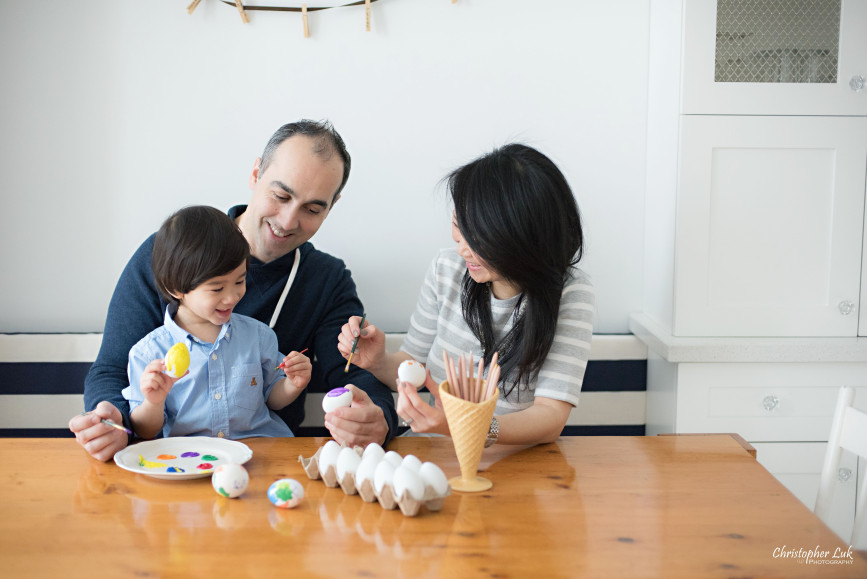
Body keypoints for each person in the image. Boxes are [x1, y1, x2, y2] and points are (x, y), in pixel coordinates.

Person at [70, 120, 397, 461]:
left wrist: (379, 418)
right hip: (173, 463)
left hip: (269, 462)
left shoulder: (326, 279)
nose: (287, 221)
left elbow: (354, 372)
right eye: (280, 195)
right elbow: (111, 368)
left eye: (313, 209)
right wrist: (111, 420)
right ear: (256, 174)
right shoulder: (170, 253)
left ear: (333, 204)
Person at [338, 143, 595, 446]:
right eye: (459, 226)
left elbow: (550, 416)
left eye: (478, 237)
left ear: (523, 238)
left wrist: (468, 426)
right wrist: (377, 360)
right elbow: (413, 367)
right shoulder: (446, 270)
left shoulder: (570, 292)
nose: (461, 248)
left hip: (517, 464)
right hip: (438, 453)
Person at [123, 205, 312, 439]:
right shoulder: (149, 353)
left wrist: (293, 384)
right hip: (191, 461)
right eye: (217, 288)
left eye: (240, 281)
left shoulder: (259, 337)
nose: (232, 297)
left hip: (260, 452)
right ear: (175, 288)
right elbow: (144, 431)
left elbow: (272, 398)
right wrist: (153, 402)